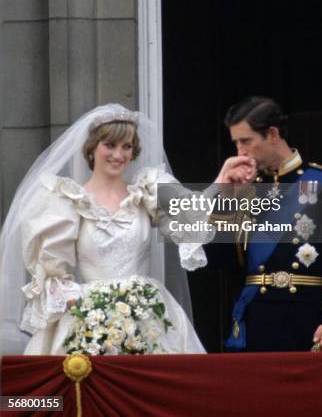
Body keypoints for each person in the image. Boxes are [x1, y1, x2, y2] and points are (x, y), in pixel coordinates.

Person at [0, 104, 214, 355]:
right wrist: (90, 311)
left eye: (127, 146)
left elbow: (192, 217)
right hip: (89, 320)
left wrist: (221, 182)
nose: (118, 154)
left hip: (148, 314)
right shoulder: (67, 201)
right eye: (110, 145)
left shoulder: (146, 193)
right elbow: (52, 275)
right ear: (92, 149)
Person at [214, 96, 322, 353]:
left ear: (272, 134)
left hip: (307, 324)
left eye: (246, 141)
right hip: (254, 326)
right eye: (236, 143)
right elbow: (220, 262)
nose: (240, 152)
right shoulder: (244, 190)